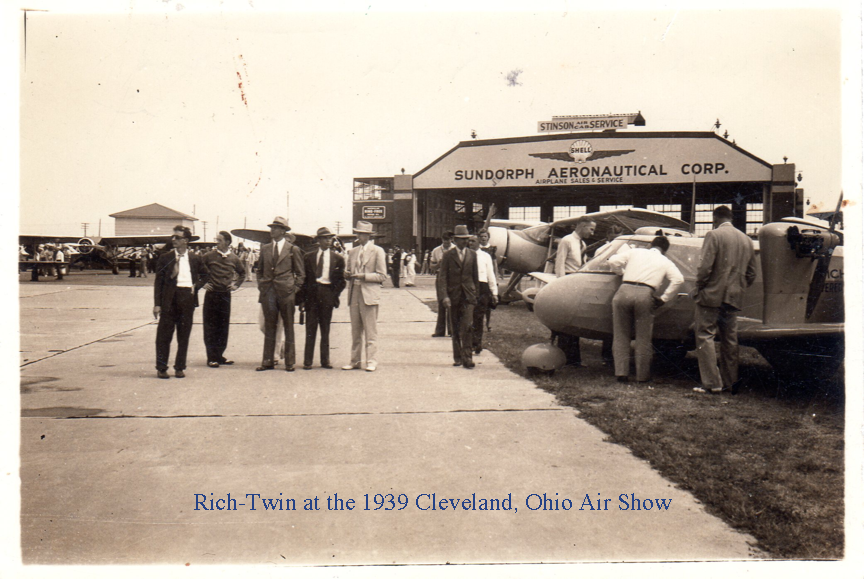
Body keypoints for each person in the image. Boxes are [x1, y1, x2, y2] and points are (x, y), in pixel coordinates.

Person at [692, 206, 757, 394]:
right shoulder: (747, 240)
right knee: (730, 340)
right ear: (731, 217)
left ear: (715, 218)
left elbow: (705, 268)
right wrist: (738, 287)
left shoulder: (713, 235)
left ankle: (712, 383)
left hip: (711, 295)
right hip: (734, 297)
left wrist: (700, 287)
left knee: (705, 336)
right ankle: (731, 382)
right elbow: (752, 273)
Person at [607, 236, 684, 383]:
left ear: (651, 245)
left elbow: (612, 261)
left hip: (624, 291)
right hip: (645, 294)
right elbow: (678, 279)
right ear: (665, 250)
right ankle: (642, 376)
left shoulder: (636, 252)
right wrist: (664, 298)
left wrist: (620, 272)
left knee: (621, 334)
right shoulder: (665, 261)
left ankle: (621, 373)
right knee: (643, 338)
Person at [153, 227, 209, 379]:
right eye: (173, 237)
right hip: (169, 299)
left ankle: (179, 367)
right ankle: (161, 367)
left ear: (185, 240)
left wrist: (196, 286)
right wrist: (157, 304)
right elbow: (158, 282)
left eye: (177, 237)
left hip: (187, 298)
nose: (173, 240)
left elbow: (206, 275)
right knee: (164, 335)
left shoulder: (195, 258)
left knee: (183, 335)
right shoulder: (165, 257)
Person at [256, 216, 305, 372]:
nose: (272, 230)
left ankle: (289, 362)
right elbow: (259, 270)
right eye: (271, 227)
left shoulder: (292, 250)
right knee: (270, 327)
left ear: (283, 231)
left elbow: (300, 273)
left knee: (288, 326)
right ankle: (268, 360)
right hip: (269, 292)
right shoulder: (265, 249)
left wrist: (293, 289)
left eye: (276, 228)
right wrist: (262, 287)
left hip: (286, 293)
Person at [343, 221, 388, 372]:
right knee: (355, 330)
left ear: (368, 235)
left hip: (369, 294)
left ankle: (371, 361)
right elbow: (349, 271)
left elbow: (382, 276)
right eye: (357, 232)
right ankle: (355, 361)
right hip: (354, 292)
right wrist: (347, 274)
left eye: (361, 233)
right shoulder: (353, 252)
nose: (358, 236)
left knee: (370, 330)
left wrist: (363, 276)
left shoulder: (378, 251)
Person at [299, 227, 346, 370]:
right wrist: (302, 300)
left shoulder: (338, 258)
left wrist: (333, 296)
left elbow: (341, 281)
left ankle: (325, 360)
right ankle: (308, 361)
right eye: (325, 238)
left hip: (327, 294)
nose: (328, 240)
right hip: (311, 295)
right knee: (310, 328)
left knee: (325, 329)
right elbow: (304, 281)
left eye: (330, 238)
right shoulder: (308, 257)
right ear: (318, 240)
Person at [553, 216, 597, 366]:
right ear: (582, 226)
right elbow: (559, 264)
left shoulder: (582, 244)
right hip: (568, 281)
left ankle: (574, 359)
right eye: (591, 229)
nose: (592, 233)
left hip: (578, 282)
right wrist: (561, 286)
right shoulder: (566, 241)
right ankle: (565, 356)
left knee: (575, 320)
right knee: (566, 320)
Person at [201, 231, 246, 368]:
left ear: (227, 242)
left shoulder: (234, 258)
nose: (217, 242)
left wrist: (236, 285)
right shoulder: (208, 256)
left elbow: (242, 273)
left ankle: (219, 356)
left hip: (225, 296)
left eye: (219, 240)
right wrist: (202, 283)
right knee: (210, 326)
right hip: (212, 295)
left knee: (223, 326)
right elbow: (196, 269)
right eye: (216, 240)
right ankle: (211, 357)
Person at [437, 225, 479, 369]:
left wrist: (475, 296)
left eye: (466, 239)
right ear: (455, 240)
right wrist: (445, 297)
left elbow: (475, 277)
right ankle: (458, 357)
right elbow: (442, 277)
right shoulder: (448, 255)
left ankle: (468, 358)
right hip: (453, 296)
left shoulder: (473, 255)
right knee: (455, 328)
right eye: (461, 239)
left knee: (467, 326)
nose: (465, 242)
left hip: (468, 296)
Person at [469, 235, 498, 355]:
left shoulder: (486, 256)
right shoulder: (465, 255)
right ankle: (469, 342)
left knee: (479, 316)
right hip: (469, 287)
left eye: (473, 241)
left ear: (479, 242)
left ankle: (477, 342)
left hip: (482, 287)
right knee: (468, 316)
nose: (470, 243)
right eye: (469, 241)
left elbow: (490, 274)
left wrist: (494, 292)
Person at [429, 231, 454, 337]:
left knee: (452, 303)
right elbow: (431, 266)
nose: (446, 242)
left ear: (452, 239)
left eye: (448, 240)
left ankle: (452, 330)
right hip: (440, 276)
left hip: (453, 277)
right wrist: (438, 264)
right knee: (441, 302)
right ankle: (440, 330)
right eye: (444, 240)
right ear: (442, 240)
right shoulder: (436, 250)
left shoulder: (455, 250)